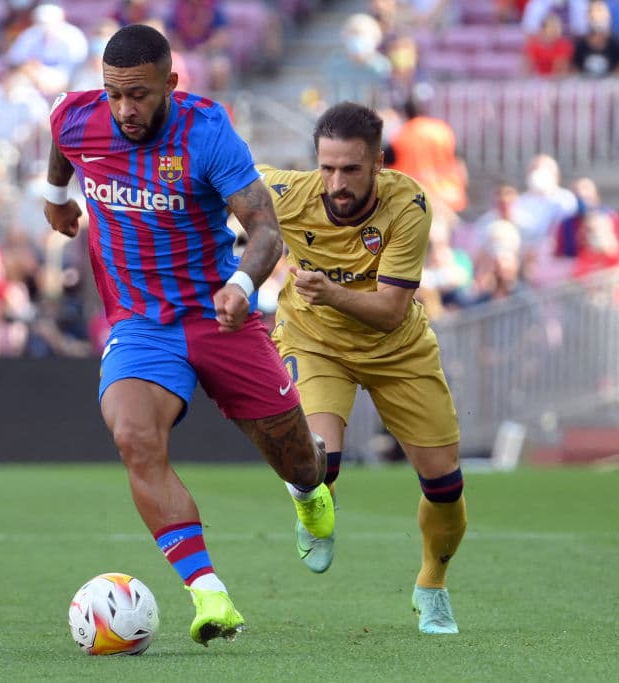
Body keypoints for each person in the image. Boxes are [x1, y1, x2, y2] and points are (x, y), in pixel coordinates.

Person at [43, 24, 330, 646]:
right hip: (141, 323)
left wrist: (243, 287)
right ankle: (210, 595)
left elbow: (266, 231)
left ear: (171, 83)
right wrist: (55, 197)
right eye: (115, 94)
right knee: (133, 436)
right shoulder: (78, 116)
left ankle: (307, 491)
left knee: (299, 457)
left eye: (139, 95)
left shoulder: (206, 131)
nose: (125, 110)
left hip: (218, 313)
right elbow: (62, 142)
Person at [256, 102, 467, 635]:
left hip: (398, 347)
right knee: (319, 462)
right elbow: (213, 175)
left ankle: (431, 586)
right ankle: (311, 505)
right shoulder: (285, 192)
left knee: (445, 487)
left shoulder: (409, 205)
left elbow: (391, 310)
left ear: (378, 163)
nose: (335, 182)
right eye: (326, 167)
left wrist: (328, 290)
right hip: (315, 338)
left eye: (350, 169)